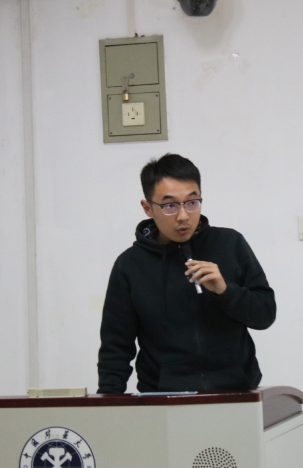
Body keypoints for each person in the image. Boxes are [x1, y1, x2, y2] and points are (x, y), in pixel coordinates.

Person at [97, 153, 276, 394]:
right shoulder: (130, 265)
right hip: (162, 398)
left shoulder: (230, 243)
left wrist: (225, 290)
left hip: (236, 392)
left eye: (192, 202)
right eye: (170, 206)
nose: (183, 216)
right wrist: (109, 401)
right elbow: (116, 346)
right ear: (148, 208)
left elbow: (265, 315)